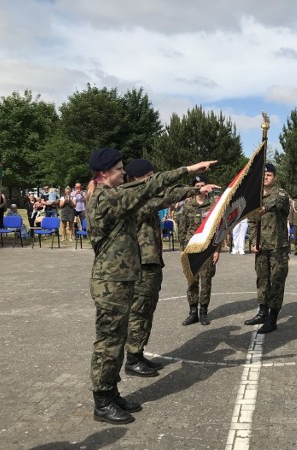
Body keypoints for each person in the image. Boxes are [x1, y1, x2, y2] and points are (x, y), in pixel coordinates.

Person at [86, 147, 216, 424]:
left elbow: (153, 195)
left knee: (117, 340)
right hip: (110, 283)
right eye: (119, 168)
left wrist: (190, 189)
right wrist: (189, 170)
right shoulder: (107, 198)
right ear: (104, 173)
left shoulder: (116, 197)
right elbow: (150, 187)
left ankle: (111, 391)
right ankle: (102, 401)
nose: (123, 172)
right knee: (108, 343)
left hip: (120, 280)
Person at [123, 158, 201, 377]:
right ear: (136, 178)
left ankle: (138, 354)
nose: (152, 179)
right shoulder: (132, 199)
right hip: (140, 263)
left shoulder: (143, 196)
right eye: (149, 176)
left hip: (151, 262)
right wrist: (194, 189)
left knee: (147, 310)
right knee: (139, 311)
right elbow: (165, 197)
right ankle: (132, 357)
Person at [245, 163, 290, 334]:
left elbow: (275, 203)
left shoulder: (280, 193)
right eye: (263, 175)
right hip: (262, 247)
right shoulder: (255, 196)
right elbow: (251, 221)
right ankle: (263, 311)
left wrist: (262, 208)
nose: (266, 177)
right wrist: (254, 241)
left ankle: (272, 318)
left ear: (275, 177)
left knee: (277, 282)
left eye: (269, 175)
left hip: (278, 247)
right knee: (262, 280)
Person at [178, 175, 220, 327]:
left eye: (202, 185)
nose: (200, 188)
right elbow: (182, 230)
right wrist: (183, 249)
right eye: (197, 185)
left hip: (207, 249)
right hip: (191, 248)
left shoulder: (212, 207)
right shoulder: (188, 206)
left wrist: (216, 250)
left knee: (206, 280)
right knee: (192, 281)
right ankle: (192, 312)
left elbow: (217, 230)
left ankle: (203, 312)